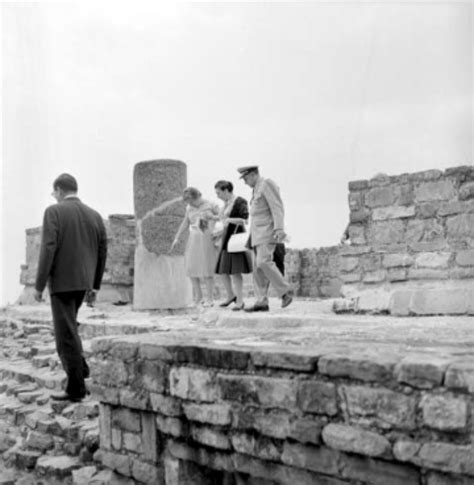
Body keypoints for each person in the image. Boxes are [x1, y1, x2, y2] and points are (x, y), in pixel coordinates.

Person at [34, 174, 107, 402]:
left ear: (59, 190)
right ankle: (82, 367)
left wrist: (39, 285)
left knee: (65, 335)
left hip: (62, 283)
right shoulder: (94, 215)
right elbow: (103, 250)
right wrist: (94, 286)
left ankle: (76, 388)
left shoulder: (53, 212)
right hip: (83, 283)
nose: (53, 196)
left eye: (53, 192)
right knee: (70, 327)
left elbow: (48, 247)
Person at [238, 165, 294, 311]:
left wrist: (279, 228)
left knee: (263, 261)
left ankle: (285, 291)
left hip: (266, 231)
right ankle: (261, 301)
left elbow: (277, 207)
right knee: (257, 268)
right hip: (256, 234)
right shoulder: (256, 189)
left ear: (253, 174)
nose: (244, 182)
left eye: (245, 178)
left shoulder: (266, 184)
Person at [171, 187, 220, 306]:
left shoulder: (210, 204)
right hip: (194, 236)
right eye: (188, 202)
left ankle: (210, 299)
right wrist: (177, 237)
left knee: (207, 268)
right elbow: (185, 222)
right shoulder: (189, 207)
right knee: (191, 267)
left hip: (207, 236)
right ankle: (198, 297)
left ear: (197, 197)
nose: (190, 204)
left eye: (191, 201)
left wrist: (211, 217)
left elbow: (222, 217)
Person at [214, 180, 253, 311]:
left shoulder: (240, 201)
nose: (217, 195)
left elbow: (245, 220)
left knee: (235, 271)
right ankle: (231, 295)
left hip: (235, 239)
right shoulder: (224, 205)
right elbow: (224, 224)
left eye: (218, 192)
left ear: (226, 190)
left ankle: (240, 301)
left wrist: (228, 220)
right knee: (223, 270)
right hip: (225, 239)